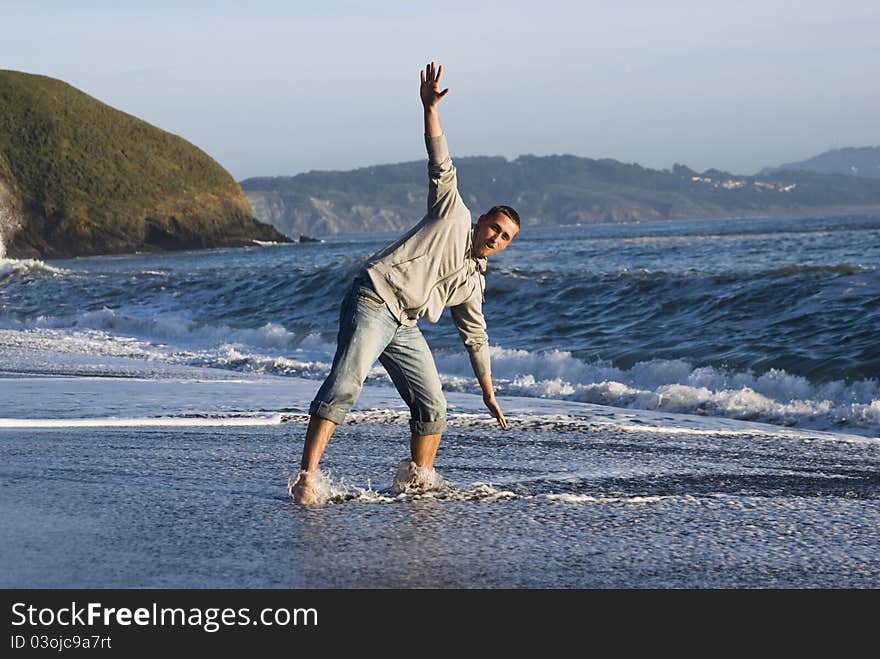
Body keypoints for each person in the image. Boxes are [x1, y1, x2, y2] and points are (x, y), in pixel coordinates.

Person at [290, 61, 520, 504]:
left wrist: (489, 393)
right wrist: (430, 108)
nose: (496, 238)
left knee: (433, 405)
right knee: (346, 383)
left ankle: (419, 481)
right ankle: (307, 478)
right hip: (374, 298)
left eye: (505, 237)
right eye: (495, 227)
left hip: (404, 322)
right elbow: (440, 160)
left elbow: (475, 336)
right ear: (482, 220)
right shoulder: (452, 212)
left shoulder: (474, 282)